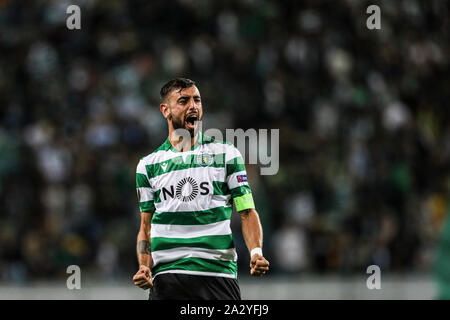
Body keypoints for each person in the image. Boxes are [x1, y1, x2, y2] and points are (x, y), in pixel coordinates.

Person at [132, 78, 269, 300]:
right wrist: (143, 266)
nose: (193, 106)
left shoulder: (226, 155)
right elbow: (145, 226)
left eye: (197, 100)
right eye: (184, 101)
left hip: (217, 274)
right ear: (165, 110)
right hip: (168, 277)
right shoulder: (148, 165)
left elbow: (246, 211)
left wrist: (256, 252)